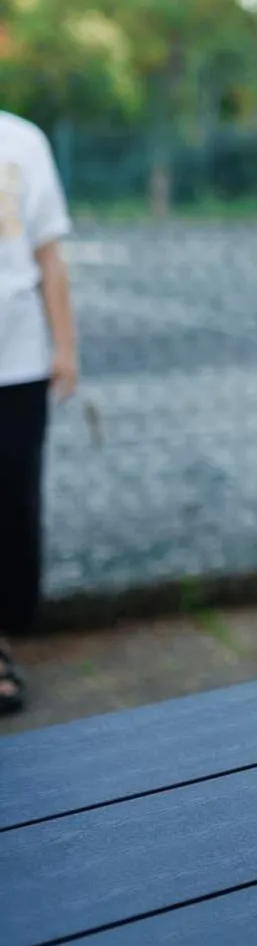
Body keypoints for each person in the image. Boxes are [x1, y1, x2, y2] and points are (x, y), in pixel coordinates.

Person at [0, 111, 77, 715]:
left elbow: (48, 256)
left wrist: (64, 347)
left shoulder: (24, 141)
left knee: (10, 506)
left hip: (16, 364)